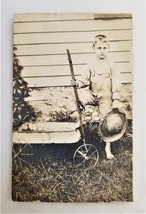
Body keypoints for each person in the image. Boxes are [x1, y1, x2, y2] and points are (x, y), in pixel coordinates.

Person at [71, 34, 122, 159]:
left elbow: (116, 82)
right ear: (93, 48)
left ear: (108, 48)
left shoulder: (112, 65)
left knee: (107, 122)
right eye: (99, 48)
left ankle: (107, 148)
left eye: (105, 48)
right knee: (77, 99)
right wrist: (77, 83)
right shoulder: (90, 64)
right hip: (93, 94)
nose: (102, 51)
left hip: (106, 97)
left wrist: (115, 99)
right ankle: (79, 124)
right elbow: (83, 79)